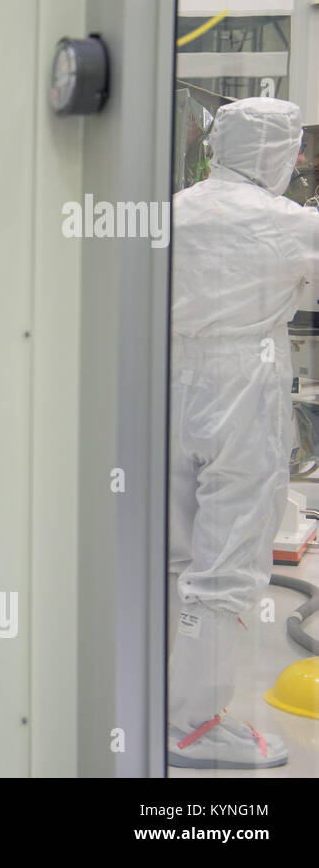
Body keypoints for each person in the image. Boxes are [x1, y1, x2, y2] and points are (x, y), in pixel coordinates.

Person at [167, 96, 319, 769]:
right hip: (243, 389)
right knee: (226, 563)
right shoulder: (290, 223)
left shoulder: (174, 210)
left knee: (173, 550)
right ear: (274, 153)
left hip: (166, 384)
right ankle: (194, 724)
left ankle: (160, 695)